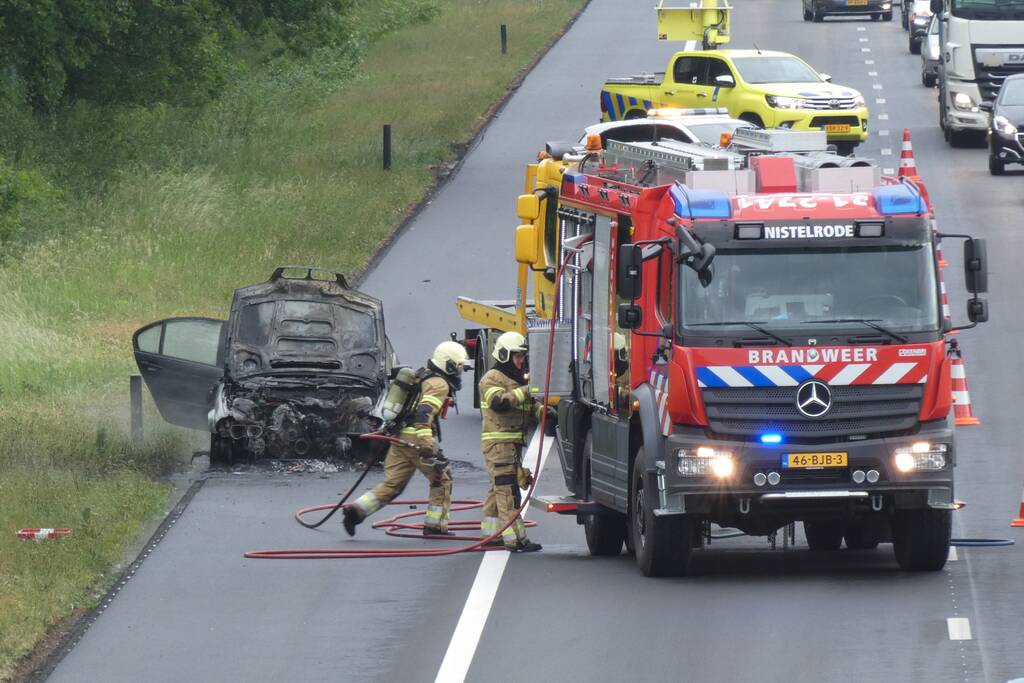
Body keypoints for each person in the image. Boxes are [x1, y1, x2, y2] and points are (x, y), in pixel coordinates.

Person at [343, 341, 469, 537]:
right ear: (449, 365)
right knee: (442, 478)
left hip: (399, 437)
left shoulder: (423, 375)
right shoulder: (439, 384)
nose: (460, 373)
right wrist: (427, 444)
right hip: (416, 438)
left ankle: (357, 511)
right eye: (459, 367)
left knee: (393, 484)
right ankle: (435, 525)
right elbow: (423, 414)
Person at [478, 331, 544, 552]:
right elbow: (499, 403)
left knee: (497, 488)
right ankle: (515, 540)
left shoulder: (517, 379)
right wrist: (526, 390)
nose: (521, 361)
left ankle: (491, 534)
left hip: (511, 444)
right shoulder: (492, 378)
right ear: (504, 355)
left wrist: (545, 412)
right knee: (508, 492)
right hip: (499, 445)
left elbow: (530, 405)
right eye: (517, 356)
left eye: (522, 356)